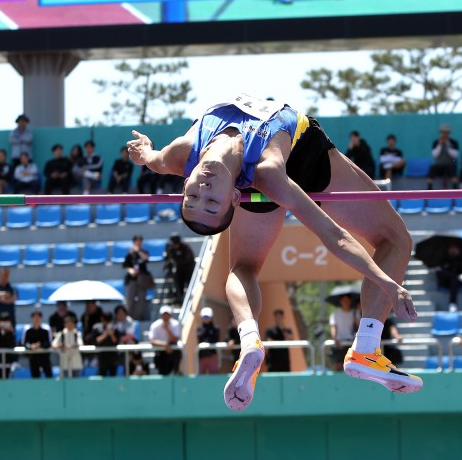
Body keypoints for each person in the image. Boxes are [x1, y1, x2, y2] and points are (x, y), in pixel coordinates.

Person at [126, 93, 421, 411]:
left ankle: (272, 342)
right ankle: (351, 347)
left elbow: (152, 158)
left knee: (246, 267)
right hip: (300, 156)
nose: (204, 191)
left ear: (184, 185)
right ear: (237, 198)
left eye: (193, 197)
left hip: (278, 155)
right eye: (212, 203)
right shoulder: (267, 173)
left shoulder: (179, 155)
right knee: (396, 238)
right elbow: (333, 236)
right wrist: (388, 284)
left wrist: (143, 151)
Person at [123, 235, 154, 321]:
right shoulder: (130, 254)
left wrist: (138, 251)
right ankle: (128, 318)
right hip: (132, 279)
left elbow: (146, 259)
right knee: (130, 299)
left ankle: (137, 318)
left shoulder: (144, 252)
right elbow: (126, 266)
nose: (139, 243)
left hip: (142, 280)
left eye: (140, 241)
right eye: (137, 241)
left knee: (141, 299)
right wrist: (131, 271)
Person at [329, 294, 359, 372]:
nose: (345, 302)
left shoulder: (355, 313)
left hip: (351, 343)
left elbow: (358, 328)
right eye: (344, 300)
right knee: (338, 365)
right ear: (340, 301)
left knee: (352, 366)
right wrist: (334, 338)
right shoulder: (335, 314)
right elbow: (333, 327)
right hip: (339, 343)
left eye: (347, 300)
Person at [149, 305, 182, 376]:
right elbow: (152, 340)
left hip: (172, 351)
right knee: (162, 371)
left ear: (171, 315)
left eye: (167, 314)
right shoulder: (155, 325)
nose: (165, 316)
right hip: (161, 352)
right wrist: (164, 345)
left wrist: (167, 329)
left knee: (176, 354)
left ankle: (176, 371)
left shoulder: (175, 324)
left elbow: (175, 339)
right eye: (164, 314)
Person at [163, 234, 195, 305]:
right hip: (179, 269)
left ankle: (191, 301)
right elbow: (168, 258)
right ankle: (180, 300)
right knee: (179, 285)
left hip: (188, 269)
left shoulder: (185, 247)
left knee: (189, 285)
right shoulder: (170, 248)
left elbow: (187, 260)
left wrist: (176, 260)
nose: (174, 246)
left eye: (175, 244)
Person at [436, 243, 462, 312]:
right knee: (451, 277)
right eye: (451, 248)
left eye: (455, 249)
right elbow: (439, 271)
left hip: (456, 283)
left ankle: (453, 303)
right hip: (446, 281)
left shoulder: (460, 260)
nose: (453, 250)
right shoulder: (443, 259)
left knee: (455, 280)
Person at [22, 310, 53, 378]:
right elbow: (24, 343)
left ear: (41, 318)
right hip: (33, 358)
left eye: (38, 317)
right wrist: (31, 346)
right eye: (34, 317)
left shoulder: (46, 329)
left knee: (49, 376)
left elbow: (48, 343)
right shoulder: (28, 330)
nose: (36, 319)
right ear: (31, 318)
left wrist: (39, 345)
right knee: (35, 377)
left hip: (45, 357)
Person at [427, 124, 459, 190]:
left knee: (453, 169)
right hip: (439, 165)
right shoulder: (436, 142)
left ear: (449, 133)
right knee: (432, 168)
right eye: (443, 132)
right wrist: (439, 145)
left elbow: (455, 155)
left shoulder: (454, 142)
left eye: (446, 132)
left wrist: (447, 145)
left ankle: (455, 191)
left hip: (450, 164)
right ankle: (429, 190)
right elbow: (434, 155)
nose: (444, 134)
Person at [264, 309, 293, 373]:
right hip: (273, 361)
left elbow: (291, 339)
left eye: (280, 317)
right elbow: (267, 341)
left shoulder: (287, 330)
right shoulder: (270, 330)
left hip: (285, 362)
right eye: (277, 317)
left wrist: (282, 329)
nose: (278, 319)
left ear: (283, 317)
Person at [91, 312, 119, 376]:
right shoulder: (97, 328)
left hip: (113, 356)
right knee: (102, 376)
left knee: (113, 376)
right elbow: (95, 341)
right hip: (101, 356)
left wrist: (111, 334)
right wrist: (105, 334)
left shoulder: (115, 328)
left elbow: (116, 341)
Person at [0, 312, 17, 380]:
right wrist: (0, 331)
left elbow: (11, 345)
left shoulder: (11, 333)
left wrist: (10, 332)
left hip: (8, 362)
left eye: (6, 321)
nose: (5, 323)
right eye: (3, 320)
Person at [197, 307, 221, 375]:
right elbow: (200, 338)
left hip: (212, 355)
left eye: (207, 317)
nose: (206, 319)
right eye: (204, 317)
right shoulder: (199, 328)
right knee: (201, 376)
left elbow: (215, 339)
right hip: (202, 355)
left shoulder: (215, 328)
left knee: (214, 375)